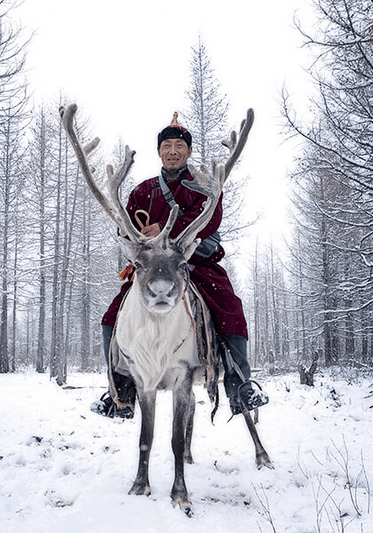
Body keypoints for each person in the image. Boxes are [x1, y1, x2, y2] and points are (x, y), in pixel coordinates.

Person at [91, 113, 269, 419]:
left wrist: (164, 228)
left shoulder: (203, 185)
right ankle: (120, 393)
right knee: (112, 316)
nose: (173, 151)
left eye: (179, 146)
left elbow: (210, 220)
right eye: (167, 145)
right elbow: (125, 225)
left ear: (188, 151)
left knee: (229, 308)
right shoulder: (142, 191)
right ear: (159, 151)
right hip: (150, 269)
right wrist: (132, 233)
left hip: (195, 265)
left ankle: (240, 387)